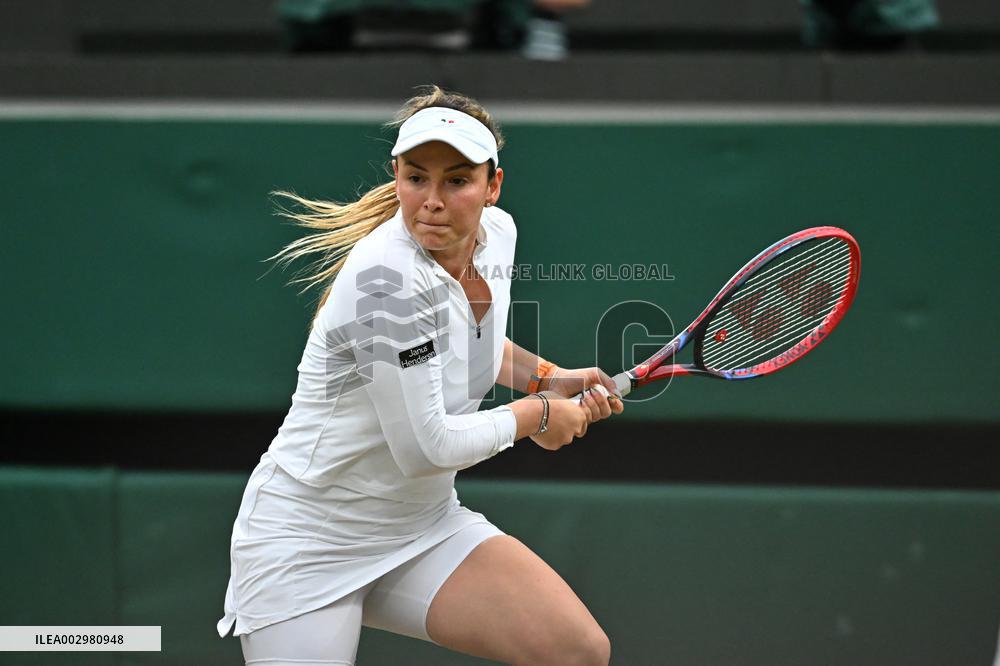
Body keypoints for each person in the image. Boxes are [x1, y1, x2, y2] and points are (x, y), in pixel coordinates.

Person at [217, 84, 622, 665]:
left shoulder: (498, 236)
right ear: (397, 176)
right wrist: (536, 416)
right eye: (416, 178)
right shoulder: (386, 284)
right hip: (306, 544)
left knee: (578, 651)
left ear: (492, 186)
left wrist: (547, 377)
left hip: (421, 528)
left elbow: (471, 342)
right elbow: (426, 447)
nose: (432, 201)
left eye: (456, 181)